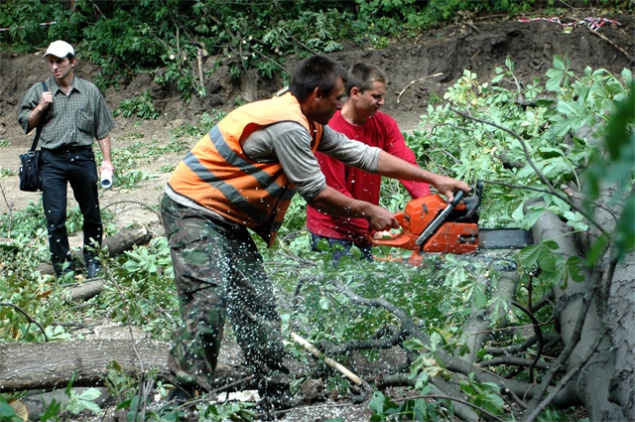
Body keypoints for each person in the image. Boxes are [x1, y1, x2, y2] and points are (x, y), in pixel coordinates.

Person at [160, 54, 469, 414]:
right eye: (338, 99)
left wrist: (434, 179)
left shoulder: (308, 122)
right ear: (317, 95)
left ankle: (275, 402)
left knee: (258, 306)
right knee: (208, 301)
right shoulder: (289, 125)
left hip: (226, 219)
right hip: (192, 210)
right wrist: (368, 210)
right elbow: (317, 193)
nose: (341, 105)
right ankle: (181, 404)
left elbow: (364, 155)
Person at [307, 62, 430, 263]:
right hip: (333, 230)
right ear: (355, 93)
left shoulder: (384, 124)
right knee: (345, 290)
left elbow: (407, 166)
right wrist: (373, 226)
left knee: (368, 286)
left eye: (382, 96)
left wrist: (427, 206)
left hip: (362, 221)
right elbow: (336, 193)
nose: (382, 102)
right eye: (376, 96)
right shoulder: (329, 130)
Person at [18, 40, 115, 279]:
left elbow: (101, 130)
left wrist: (107, 161)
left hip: (83, 158)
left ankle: (93, 259)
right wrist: (41, 107)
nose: (54, 67)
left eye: (59, 61)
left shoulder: (90, 91)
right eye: (50, 62)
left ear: (73, 61)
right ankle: (63, 268)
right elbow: (25, 124)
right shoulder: (39, 90)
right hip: (52, 160)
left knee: (91, 213)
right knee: (55, 216)